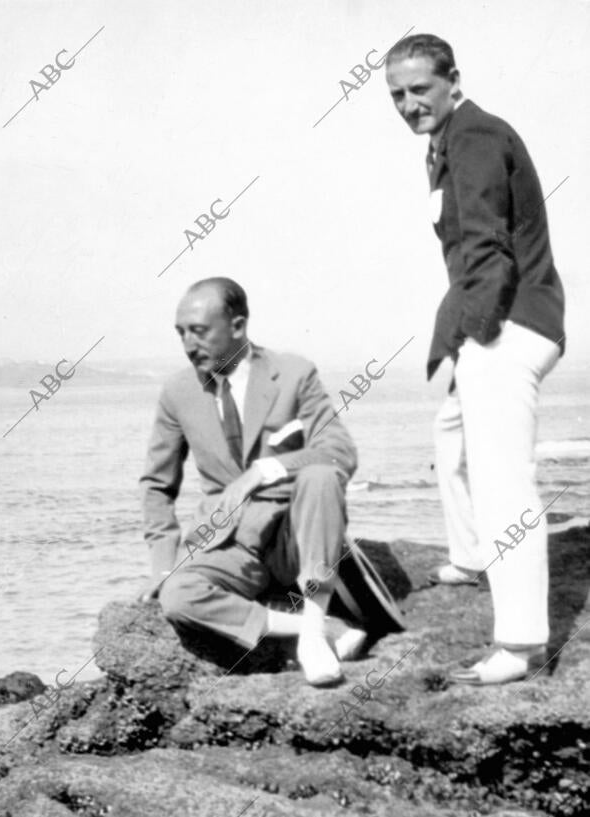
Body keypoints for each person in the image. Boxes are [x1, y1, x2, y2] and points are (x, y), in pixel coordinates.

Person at [385, 34, 565, 684]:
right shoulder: (446, 144)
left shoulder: (475, 137)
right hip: (498, 318)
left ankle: (520, 643)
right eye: (397, 95)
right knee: (453, 440)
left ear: (453, 81)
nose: (408, 104)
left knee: (502, 478)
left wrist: (477, 340)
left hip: (510, 323)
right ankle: (470, 556)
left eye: (419, 90)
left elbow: (488, 250)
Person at [140, 277, 366, 686]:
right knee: (178, 595)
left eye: (200, 331)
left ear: (238, 326)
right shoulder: (177, 392)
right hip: (231, 542)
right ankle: (318, 629)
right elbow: (157, 485)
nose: (189, 345)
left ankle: (312, 634)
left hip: (295, 537)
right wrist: (161, 569)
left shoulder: (294, 374)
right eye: (181, 333)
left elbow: (340, 452)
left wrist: (264, 470)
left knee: (320, 474)